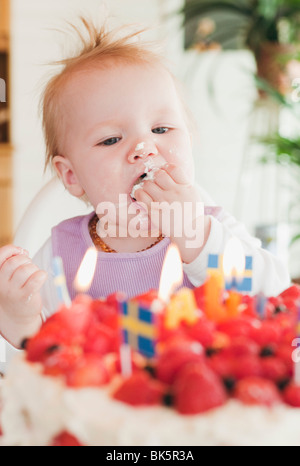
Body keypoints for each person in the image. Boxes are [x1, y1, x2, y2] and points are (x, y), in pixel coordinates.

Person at [0, 18, 290, 372]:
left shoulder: (210, 229)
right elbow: (34, 373)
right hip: (100, 418)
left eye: (161, 129)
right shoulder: (60, 255)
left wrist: (197, 238)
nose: (144, 147)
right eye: (110, 139)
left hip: (201, 409)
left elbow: (275, 299)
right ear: (72, 176)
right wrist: (19, 322)